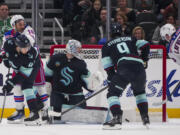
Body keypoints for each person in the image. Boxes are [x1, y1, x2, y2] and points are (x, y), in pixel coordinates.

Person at [101, 23, 150, 129]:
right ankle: (145, 117)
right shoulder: (131, 38)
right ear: (121, 32)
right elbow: (145, 44)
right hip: (139, 67)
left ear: (110, 33)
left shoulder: (106, 46)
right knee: (140, 92)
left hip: (124, 66)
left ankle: (117, 118)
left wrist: (112, 79)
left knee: (112, 94)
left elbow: (108, 67)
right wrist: (144, 60)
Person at [1, 15, 48, 124]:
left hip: (31, 61)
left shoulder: (28, 30)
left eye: (23, 23)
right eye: (20, 24)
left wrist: (11, 82)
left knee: (38, 86)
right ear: (13, 25)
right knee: (18, 86)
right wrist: (6, 57)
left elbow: (29, 42)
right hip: (18, 60)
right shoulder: (8, 35)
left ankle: (45, 109)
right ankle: (20, 110)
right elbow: (4, 48)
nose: (23, 25)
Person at [45, 39, 92, 122]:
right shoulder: (55, 58)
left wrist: (91, 86)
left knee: (79, 118)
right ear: (71, 48)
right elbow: (47, 75)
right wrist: (47, 85)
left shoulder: (81, 63)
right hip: (58, 93)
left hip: (76, 94)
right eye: (78, 48)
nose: (80, 50)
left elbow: (85, 81)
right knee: (56, 119)